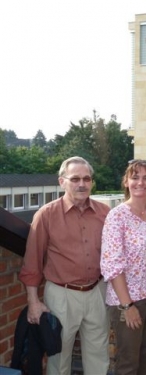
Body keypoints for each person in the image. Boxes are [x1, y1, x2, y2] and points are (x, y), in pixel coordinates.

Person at [19, 156, 110, 375]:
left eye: (87, 179)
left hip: (98, 291)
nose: (82, 184)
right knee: (58, 357)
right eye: (75, 178)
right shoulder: (46, 215)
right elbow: (32, 262)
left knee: (99, 355)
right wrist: (33, 302)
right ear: (62, 182)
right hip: (61, 295)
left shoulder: (105, 213)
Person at [101, 160, 146, 375]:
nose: (140, 182)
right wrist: (127, 306)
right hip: (128, 300)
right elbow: (112, 264)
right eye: (135, 177)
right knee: (128, 361)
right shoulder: (117, 216)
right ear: (126, 181)